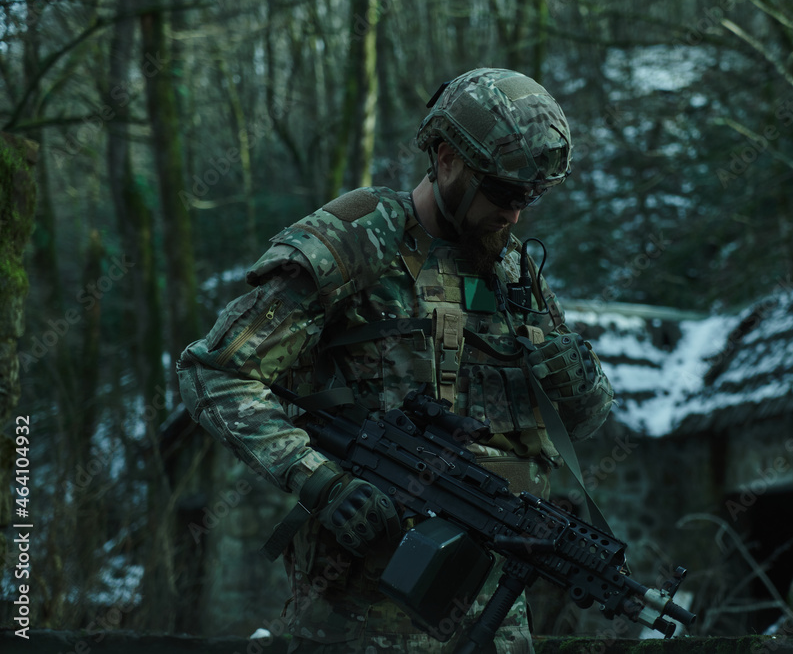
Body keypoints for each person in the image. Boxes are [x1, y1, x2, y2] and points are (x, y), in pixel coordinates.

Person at [177, 67, 614, 653]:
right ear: (446, 156)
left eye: (531, 197)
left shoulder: (513, 272)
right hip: (360, 603)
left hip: (489, 603)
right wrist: (321, 483)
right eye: (505, 193)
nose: (516, 215)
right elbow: (216, 372)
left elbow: (581, 424)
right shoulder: (358, 239)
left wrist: (577, 378)